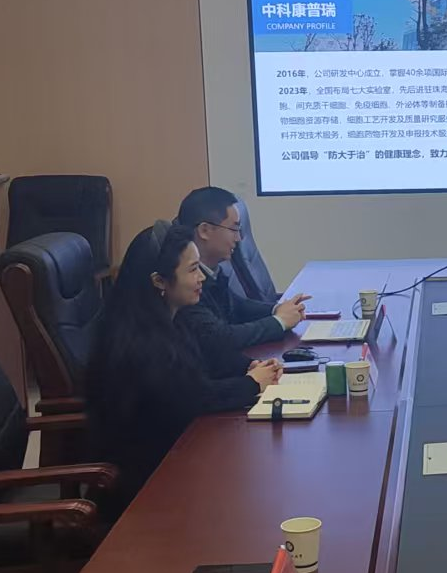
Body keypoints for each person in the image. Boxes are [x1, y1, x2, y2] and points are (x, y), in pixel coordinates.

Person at [86, 223, 282, 516]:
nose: (201, 277)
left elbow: (208, 359)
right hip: (147, 487)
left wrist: (248, 367)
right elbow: (192, 398)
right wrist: (251, 384)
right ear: (159, 281)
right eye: (192, 270)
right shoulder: (137, 341)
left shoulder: (168, 315)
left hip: (181, 455)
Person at [174, 187, 310, 374]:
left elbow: (236, 305)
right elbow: (220, 337)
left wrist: (277, 309)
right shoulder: (185, 286)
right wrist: (278, 322)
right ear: (204, 230)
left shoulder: (211, 271)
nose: (239, 238)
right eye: (234, 229)